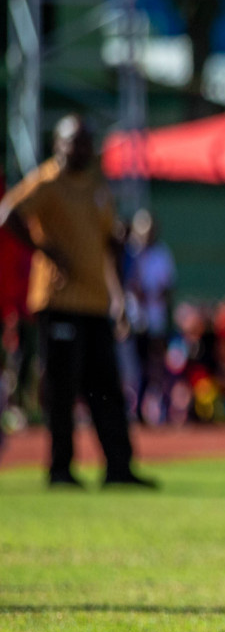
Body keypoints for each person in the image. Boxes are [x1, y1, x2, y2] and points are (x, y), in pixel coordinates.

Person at [0, 116, 156, 488]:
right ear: (59, 145)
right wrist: (45, 250)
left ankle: (119, 468)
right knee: (62, 390)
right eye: (75, 142)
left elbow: (109, 247)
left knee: (107, 389)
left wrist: (119, 299)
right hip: (59, 302)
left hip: (95, 303)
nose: (82, 148)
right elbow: (8, 214)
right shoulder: (48, 181)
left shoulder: (96, 187)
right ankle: (61, 469)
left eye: (87, 141)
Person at [123, 209, 177, 424]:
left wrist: (154, 296)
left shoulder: (162, 254)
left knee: (153, 365)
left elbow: (168, 286)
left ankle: (152, 405)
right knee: (133, 366)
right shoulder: (130, 254)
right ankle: (134, 406)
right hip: (134, 321)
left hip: (155, 320)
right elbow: (128, 283)